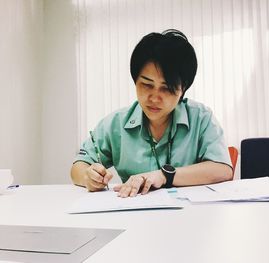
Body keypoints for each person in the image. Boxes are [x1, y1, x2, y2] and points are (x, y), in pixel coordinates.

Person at [71, 29, 233, 197]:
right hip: (132, 214)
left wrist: (164, 175)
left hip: (189, 215)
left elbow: (223, 169)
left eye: (167, 88)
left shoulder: (201, 118)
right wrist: (88, 176)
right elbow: (79, 165)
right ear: (135, 81)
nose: (155, 98)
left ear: (182, 89)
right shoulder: (116, 123)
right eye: (147, 85)